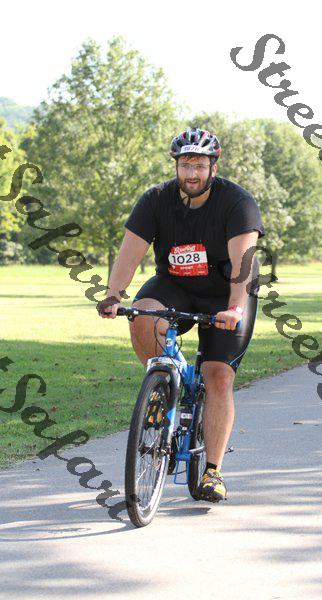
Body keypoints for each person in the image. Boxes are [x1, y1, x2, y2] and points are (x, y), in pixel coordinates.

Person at [98, 127, 265, 503]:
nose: (192, 173)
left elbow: (243, 263)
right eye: (186, 165)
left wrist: (235, 308)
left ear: (213, 167)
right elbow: (130, 253)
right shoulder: (155, 200)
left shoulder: (237, 202)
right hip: (175, 285)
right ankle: (161, 387)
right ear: (176, 166)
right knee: (142, 314)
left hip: (226, 292)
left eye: (200, 165)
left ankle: (212, 472)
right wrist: (113, 295)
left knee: (218, 375)